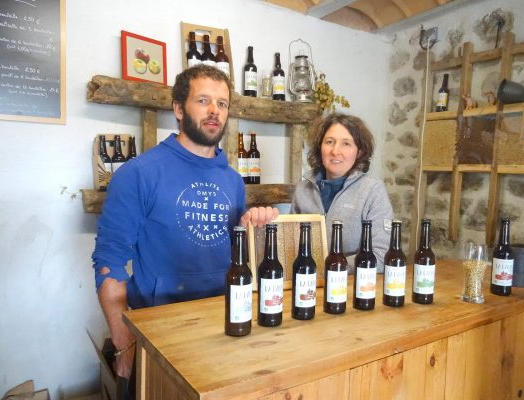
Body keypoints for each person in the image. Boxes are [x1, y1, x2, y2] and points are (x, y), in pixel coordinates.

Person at [92, 65, 278, 383]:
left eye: (221, 103)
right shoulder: (139, 173)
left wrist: (257, 228)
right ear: (178, 108)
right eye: (203, 100)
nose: (214, 111)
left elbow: (238, 255)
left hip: (226, 324)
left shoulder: (233, 181)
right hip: (159, 333)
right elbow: (109, 263)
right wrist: (124, 344)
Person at [291, 113, 393, 270]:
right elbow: (291, 244)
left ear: (359, 152)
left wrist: (330, 269)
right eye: (329, 142)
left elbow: (381, 256)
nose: (335, 151)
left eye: (346, 144)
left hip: (351, 287)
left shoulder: (372, 191)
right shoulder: (303, 190)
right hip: (307, 285)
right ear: (320, 147)